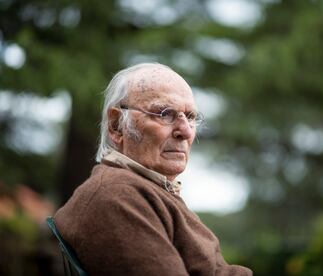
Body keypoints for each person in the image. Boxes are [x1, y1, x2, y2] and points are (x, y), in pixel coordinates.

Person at [53, 63, 252, 275]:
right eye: (165, 114)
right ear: (116, 125)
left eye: (191, 117)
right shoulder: (117, 196)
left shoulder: (145, 190)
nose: (185, 131)